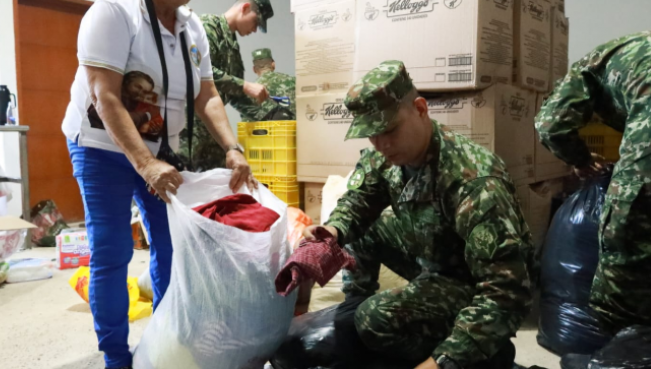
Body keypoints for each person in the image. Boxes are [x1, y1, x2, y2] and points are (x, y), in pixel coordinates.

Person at [61, 0, 257, 368]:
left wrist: (232, 148)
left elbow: (207, 96)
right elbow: (105, 96)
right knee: (112, 250)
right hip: (101, 146)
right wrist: (145, 164)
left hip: (158, 151)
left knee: (173, 245)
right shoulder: (114, 11)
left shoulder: (192, 29)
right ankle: (117, 356)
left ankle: (169, 343)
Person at [302, 61, 535, 369]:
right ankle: (356, 312)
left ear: (421, 109)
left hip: (468, 280)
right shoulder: (387, 155)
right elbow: (359, 201)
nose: (381, 144)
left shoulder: (474, 181)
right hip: (433, 257)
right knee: (363, 233)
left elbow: (507, 293)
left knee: (375, 319)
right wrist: (333, 230)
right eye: (372, 134)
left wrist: (442, 362)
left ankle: (484, 355)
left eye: (390, 130)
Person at [535, 30, 651, 333]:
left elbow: (551, 125)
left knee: (626, 230)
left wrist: (582, 161)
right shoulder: (632, 55)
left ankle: (619, 341)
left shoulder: (585, 72)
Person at [178, 0, 274, 171]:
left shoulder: (233, 48)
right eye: (256, 22)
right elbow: (198, 69)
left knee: (220, 182)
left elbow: (235, 94)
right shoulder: (206, 27)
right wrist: (244, 85)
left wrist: (271, 113)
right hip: (191, 126)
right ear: (245, 8)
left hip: (214, 132)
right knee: (181, 181)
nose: (254, 29)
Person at [234, 48, 296, 122]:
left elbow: (247, 122)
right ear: (273, 64)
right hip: (297, 131)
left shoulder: (251, 92)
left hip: (267, 132)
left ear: (254, 69)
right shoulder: (294, 81)